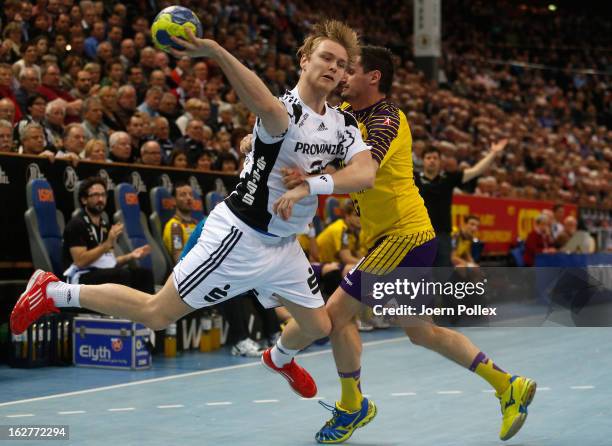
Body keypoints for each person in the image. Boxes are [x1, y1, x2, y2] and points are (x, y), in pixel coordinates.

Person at [11, 20, 377, 403]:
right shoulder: (283, 114)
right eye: (326, 58)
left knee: (317, 324)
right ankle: (54, 291)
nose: (334, 68)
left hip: (285, 245)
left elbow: (366, 173)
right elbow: (262, 102)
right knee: (156, 313)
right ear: (304, 60)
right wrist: (217, 52)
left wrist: (312, 184)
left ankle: (278, 358)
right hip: (239, 237)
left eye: (341, 64)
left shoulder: (342, 123)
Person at [279, 46, 534, 443]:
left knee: (336, 315)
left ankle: (351, 407)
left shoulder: (387, 118)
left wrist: (313, 180)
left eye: (351, 69)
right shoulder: (347, 116)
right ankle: (507, 386)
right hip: (396, 239)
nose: (342, 75)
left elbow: (365, 172)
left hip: (405, 236)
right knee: (421, 332)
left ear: (374, 77)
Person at [415, 140, 507, 267]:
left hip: (443, 235)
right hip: (420, 235)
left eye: (435, 158)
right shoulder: (413, 178)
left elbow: (475, 171)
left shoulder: (448, 178)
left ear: (440, 161)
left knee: (442, 276)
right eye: (428, 158)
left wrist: (493, 153)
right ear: (423, 161)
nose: (432, 160)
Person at [61, 176, 154, 292]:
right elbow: (80, 262)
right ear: (84, 200)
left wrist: (131, 256)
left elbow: (110, 261)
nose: (100, 199)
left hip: (101, 272)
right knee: (121, 275)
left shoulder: (104, 225)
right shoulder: (76, 224)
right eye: (95, 195)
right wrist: (107, 243)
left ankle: (146, 309)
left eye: (103, 195)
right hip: (80, 277)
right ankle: (123, 309)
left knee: (144, 274)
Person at [162, 181, 197, 264]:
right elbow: (179, 260)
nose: (188, 198)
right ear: (174, 201)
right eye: (183, 195)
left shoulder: (196, 224)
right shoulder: (174, 226)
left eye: (191, 194)